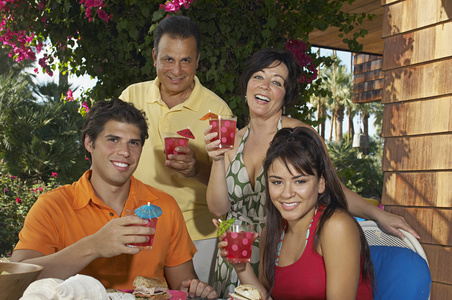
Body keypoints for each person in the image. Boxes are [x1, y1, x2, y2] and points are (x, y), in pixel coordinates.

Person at [204, 48, 419, 296]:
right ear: (246, 85)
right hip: (247, 250)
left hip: (297, 242)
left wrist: (375, 213)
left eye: (276, 82)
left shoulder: (299, 136)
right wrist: (217, 159)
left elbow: (331, 185)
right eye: (258, 77)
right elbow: (219, 209)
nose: (264, 86)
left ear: (286, 95)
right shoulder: (232, 139)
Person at [10, 98, 217, 299]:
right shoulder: (52, 205)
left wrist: (195, 290)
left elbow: (183, 284)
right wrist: (93, 246)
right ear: (89, 143)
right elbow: (16, 280)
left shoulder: (165, 205)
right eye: (113, 140)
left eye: (133, 143)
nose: (125, 152)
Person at [119, 15, 232, 283]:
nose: (177, 70)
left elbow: (228, 184)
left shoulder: (218, 111)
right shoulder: (130, 97)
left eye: (186, 60)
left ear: (197, 60)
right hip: (136, 229)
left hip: (198, 237)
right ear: (154, 56)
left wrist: (196, 169)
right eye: (169, 59)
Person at [217, 126, 375, 299]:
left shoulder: (336, 227)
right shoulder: (271, 232)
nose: (287, 193)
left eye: (299, 181)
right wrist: (242, 266)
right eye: (277, 182)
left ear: (321, 183)